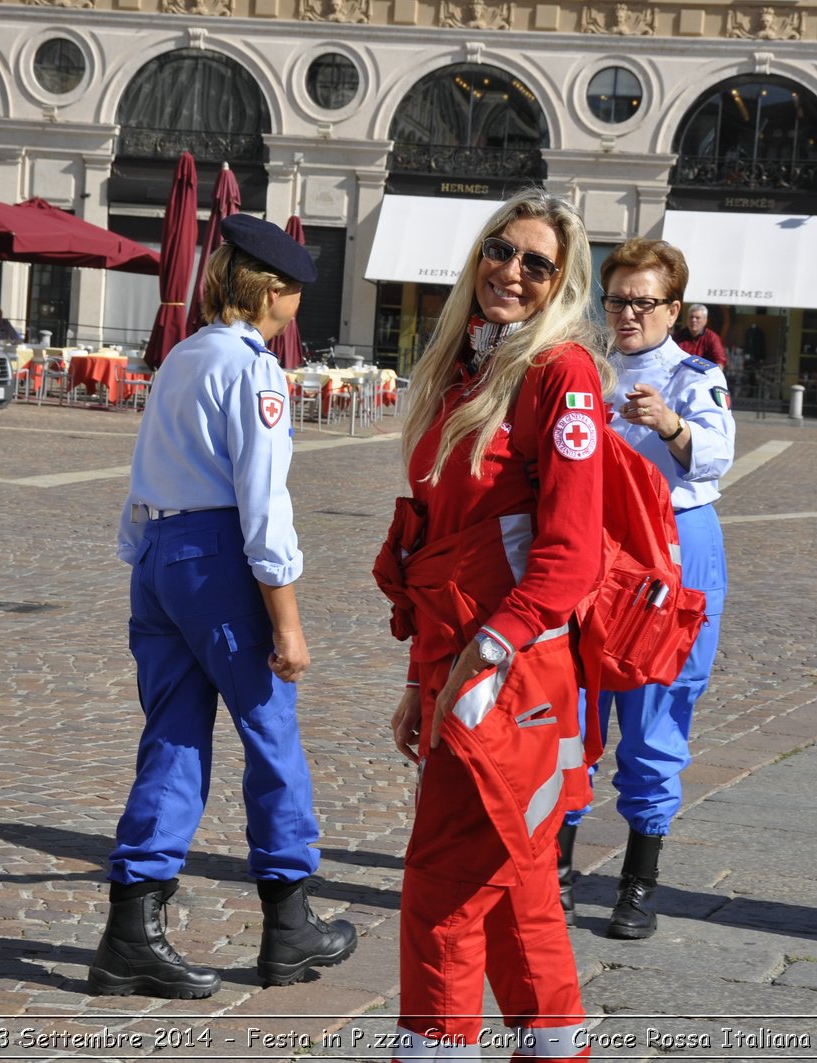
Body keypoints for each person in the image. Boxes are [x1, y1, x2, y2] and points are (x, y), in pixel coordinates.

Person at [90, 214, 356, 999]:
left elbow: (143, 473)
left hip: (161, 554)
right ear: (276, 292)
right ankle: (289, 920)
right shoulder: (253, 369)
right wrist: (289, 619)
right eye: (297, 293)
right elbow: (263, 504)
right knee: (270, 730)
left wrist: (145, 561)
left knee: (172, 735)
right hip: (218, 558)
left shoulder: (181, 355)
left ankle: (131, 927)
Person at [375, 188, 610, 1061]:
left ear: (561, 283)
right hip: (460, 658)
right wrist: (417, 679)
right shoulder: (466, 370)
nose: (512, 271)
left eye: (536, 262)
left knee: (443, 886)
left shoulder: (560, 374)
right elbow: (434, 539)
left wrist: (486, 655)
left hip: (510, 672)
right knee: (518, 885)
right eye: (501, 250)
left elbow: (571, 552)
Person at [557, 239, 735, 939]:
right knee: (570, 709)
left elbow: (717, 447)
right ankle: (557, 868)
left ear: (674, 307)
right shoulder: (583, 369)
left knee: (657, 714)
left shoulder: (695, 375)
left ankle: (639, 879)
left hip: (674, 550)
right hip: (592, 551)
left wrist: (671, 424)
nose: (628, 313)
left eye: (644, 301)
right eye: (618, 299)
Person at [673, 303, 726, 369]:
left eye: (697, 318)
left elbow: (720, 359)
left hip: (704, 377)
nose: (693, 320)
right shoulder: (678, 336)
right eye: (691, 317)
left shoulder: (712, 338)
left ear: (705, 321)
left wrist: (715, 375)